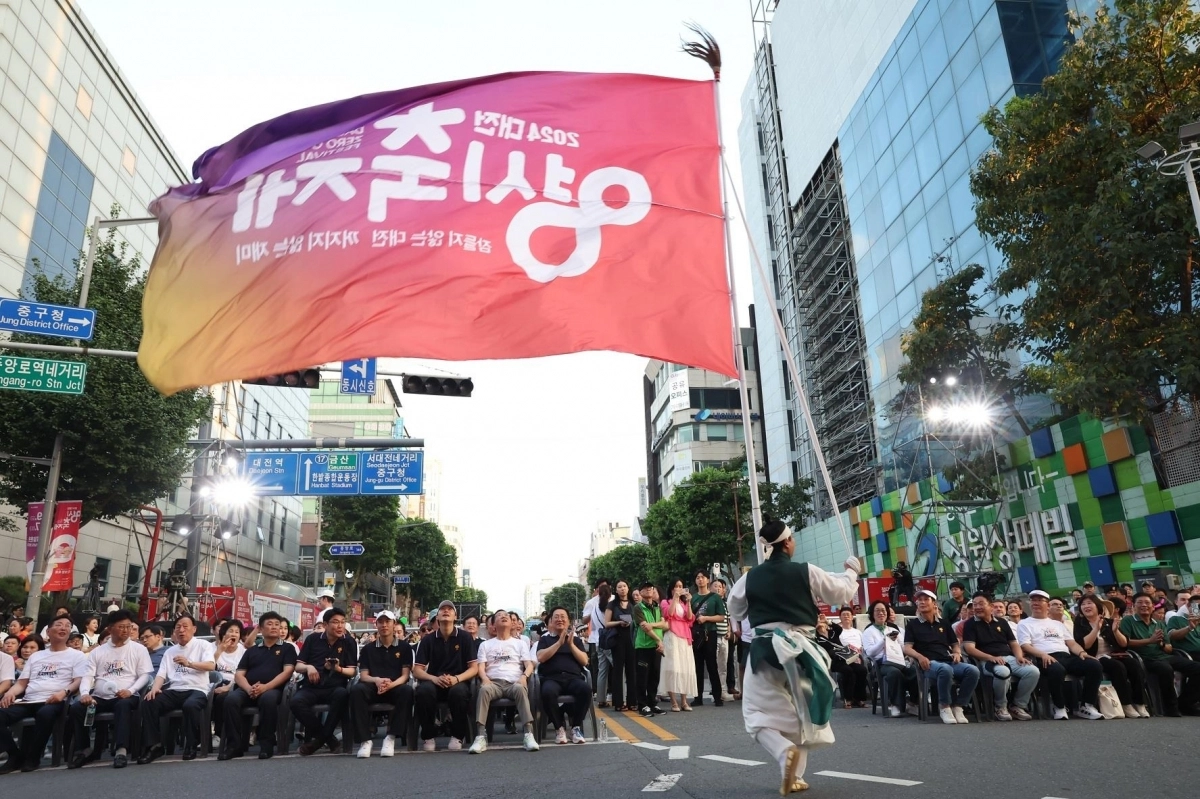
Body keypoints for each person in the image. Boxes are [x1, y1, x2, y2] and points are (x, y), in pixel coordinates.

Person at [727, 520, 860, 795]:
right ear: (787, 543)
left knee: (755, 714)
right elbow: (841, 593)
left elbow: (735, 609)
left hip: (766, 652)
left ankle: (783, 751)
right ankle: (796, 776)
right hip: (803, 654)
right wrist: (851, 572)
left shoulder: (750, 577)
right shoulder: (806, 571)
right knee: (801, 713)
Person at [0, 617, 87, 772]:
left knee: (45, 714)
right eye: (59, 625)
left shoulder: (76, 655)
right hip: (29, 700)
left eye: (68, 626)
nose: (63, 628)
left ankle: (33, 758)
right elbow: (22, 683)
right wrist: (10, 694)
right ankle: (15, 755)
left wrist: (64, 692)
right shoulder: (36, 656)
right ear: (48, 632)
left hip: (54, 700)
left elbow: (78, 680)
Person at [70, 609, 152, 769]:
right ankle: (84, 750)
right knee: (77, 708)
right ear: (110, 628)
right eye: (121, 627)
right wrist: (85, 694)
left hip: (127, 695)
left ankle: (121, 751)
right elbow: (88, 675)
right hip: (100, 697)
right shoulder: (98, 652)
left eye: (129, 627)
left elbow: (145, 676)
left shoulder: (138, 649)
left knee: (123, 706)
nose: (126, 630)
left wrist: (130, 690)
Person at [138, 614, 215, 763]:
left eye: (185, 627)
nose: (181, 630)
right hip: (175, 690)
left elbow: (211, 666)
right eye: (178, 627)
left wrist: (189, 663)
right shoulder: (170, 651)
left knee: (190, 705)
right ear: (174, 632)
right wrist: (154, 689)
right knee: (149, 702)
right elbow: (161, 674)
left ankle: (191, 745)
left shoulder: (203, 645)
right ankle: (154, 746)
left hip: (197, 689)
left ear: (194, 629)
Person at [219, 611, 296, 760]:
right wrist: (248, 689)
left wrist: (265, 687)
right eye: (270, 624)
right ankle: (234, 746)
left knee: (268, 700)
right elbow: (239, 674)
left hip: (273, 689)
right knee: (230, 700)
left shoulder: (288, 648)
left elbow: (287, 672)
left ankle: (266, 745)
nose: (274, 627)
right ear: (260, 629)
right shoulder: (252, 651)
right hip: (249, 689)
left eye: (277, 625)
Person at [1017, 589, 1104, 720]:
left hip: (1066, 655)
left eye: (1040, 600)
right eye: (1033, 600)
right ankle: (1059, 706)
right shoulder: (1024, 623)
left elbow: (1071, 643)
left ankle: (1086, 705)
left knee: (1094, 665)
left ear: (1047, 604)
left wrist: (1082, 653)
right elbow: (1025, 645)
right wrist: (1043, 655)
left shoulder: (1057, 624)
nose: (1036, 603)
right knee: (1057, 670)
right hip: (1044, 657)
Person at [904, 589, 980, 724]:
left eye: (925, 599)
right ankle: (944, 706)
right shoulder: (913, 625)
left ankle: (958, 706)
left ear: (934, 604)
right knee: (944, 669)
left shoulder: (944, 623)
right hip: (929, 664)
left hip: (948, 660)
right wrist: (920, 657)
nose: (922, 602)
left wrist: (957, 652)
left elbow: (955, 644)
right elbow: (907, 648)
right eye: (919, 600)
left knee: (973, 670)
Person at [468, 609, 538, 753]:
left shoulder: (520, 644)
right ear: (493, 625)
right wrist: (485, 678)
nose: (504, 617)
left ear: (512, 623)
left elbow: (529, 664)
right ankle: (480, 736)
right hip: (493, 683)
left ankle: (528, 734)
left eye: (506, 616)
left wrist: (524, 677)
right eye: (500, 616)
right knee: (483, 690)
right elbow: (480, 667)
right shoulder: (486, 645)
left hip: (514, 682)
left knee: (520, 689)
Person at [1120, 593, 1200, 716]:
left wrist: (1161, 644)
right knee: (1165, 669)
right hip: (1145, 658)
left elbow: (1169, 648)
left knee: (1197, 668)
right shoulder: (1128, 621)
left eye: (1147, 603)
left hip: (1164, 656)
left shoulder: (1158, 623)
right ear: (1133, 606)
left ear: (1153, 606)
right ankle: (1170, 708)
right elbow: (1125, 642)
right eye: (1140, 602)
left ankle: (1185, 703)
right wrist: (1149, 641)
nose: (1144, 605)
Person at [413, 599, 478, 751]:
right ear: (437, 617)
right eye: (443, 609)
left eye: (450, 609)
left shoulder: (465, 637)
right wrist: (434, 678)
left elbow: (473, 668)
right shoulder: (428, 639)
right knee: (423, 691)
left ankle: (457, 736)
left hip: (458, 681)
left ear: (455, 616)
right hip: (435, 681)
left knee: (459, 692)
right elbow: (417, 670)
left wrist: (456, 679)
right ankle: (428, 737)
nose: (446, 611)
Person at [961, 592, 1038, 721]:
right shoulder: (970, 624)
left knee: (1032, 671)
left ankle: (1018, 705)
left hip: (1008, 657)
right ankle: (1000, 706)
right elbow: (970, 649)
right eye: (975, 605)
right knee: (1003, 672)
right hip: (987, 661)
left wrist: (1019, 656)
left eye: (981, 604)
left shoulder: (1002, 622)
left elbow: (1013, 643)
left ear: (990, 607)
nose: (977, 607)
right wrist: (990, 657)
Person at [347, 610, 413, 758]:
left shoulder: (404, 647)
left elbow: (405, 675)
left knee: (407, 691)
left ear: (394, 624)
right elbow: (364, 675)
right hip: (373, 686)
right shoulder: (368, 649)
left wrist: (391, 684)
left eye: (387, 622)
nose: (384, 625)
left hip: (395, 686)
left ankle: (391, 737)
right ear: (376, 625)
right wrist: (376, 680)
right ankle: (365, 740)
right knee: (357, 691)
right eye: (381, 622)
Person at [293, 606, 356, 754]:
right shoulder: (313, 639)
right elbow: (298, 666)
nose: (340, 626)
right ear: (326, 625)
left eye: (342, 622)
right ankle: (329, 739)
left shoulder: (349, 642)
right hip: (312, 686)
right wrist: (309, 667)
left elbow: (352, 671)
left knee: (342, 695)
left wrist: (338, 669)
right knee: (295, 702)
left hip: (335, 687)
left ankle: (318, 741)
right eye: (335, 622)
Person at [1074, 595, 1147, 718]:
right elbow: (1085, 645)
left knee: (1134, 664)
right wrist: (1096, 628)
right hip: (1095, 657)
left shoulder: (1109, 622)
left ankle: (1140, 703)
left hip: (1115, 655)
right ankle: (1126, 703)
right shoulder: (1080, 623)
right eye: (1083, 604)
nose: (1086, 606)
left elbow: (1124, 643)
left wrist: (1115, 631)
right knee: (1117, 666)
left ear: (1098, 606)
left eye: (1089, 603)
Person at [536, 606, 590, 744]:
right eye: (556, 617)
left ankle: (576, 727)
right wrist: (559, 643)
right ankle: (559, 728)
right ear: (551, 621)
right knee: (547, 692)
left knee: (585, 689)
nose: (560, 619)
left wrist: (570, 645)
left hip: (573, 678)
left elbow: (584, 661)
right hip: (552, 678)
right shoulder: (545, 640)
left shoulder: (576, 640)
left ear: (568, 621)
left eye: (563, 617)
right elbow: (541, 658)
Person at [860, 600, 917, 717]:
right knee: (894, 673)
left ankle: (913, 703)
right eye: (877, 611)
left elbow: (903, 647)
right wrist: (884, 640)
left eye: (883, 611)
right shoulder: (868, 632)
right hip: (881, 664)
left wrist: (910, 655)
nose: (881, 613)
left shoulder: (892, 630)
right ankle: (896, 705)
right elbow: (870, 652)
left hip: (899, 661)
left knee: (915, 672)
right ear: (872, 614)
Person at [690, 571, 727, 707]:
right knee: (697, 666)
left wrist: (706, 618)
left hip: (710, 633)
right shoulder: (692, 598)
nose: (700, 580)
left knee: (712, 665)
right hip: (696, 634)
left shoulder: (715, 598)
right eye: (697, 577)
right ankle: (697, 697)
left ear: (707, 580)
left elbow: (721, 617)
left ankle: (717, 696)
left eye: (702, 577)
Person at [660, 578, 698, 712]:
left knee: (684, 668)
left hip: (685, 637)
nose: (679, 588)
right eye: (676, 586)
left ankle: (684, 701)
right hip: (672, 636)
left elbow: (689, 618)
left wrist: (688, 602)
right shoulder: (666, 602)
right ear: (672, 588)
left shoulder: (683, 603)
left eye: (681, 586)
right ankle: (673, 701)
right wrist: (675, 598)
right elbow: (668, 614)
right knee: (672, 667)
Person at [210, 619, 246, 753]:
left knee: (222, 699)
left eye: (237, 632)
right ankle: (203, 736)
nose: (234, 634)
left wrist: (228, 687)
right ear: (223, 633)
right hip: (213, 683)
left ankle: (219, 734)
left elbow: (243, 673)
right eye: (231, 631)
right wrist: (220, 650)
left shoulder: (243, 650)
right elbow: (208, 668)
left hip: (234, 684)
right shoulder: (212, 647)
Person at [603, 580, 638, 711]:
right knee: (617, 671)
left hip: (632, 640)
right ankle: (618, 703)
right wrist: (619, 622)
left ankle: (632, 701)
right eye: (619, 587)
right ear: (616, 590)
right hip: (617, 640)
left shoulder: (633, 604)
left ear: (628, 588)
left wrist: (631, 623)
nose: (622, 589)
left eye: (624, 586)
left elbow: (638, 620)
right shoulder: (612, 605)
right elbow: (606, 623)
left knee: (632, 671)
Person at [633, 582, 667, 716]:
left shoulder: (658, 606)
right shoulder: (638, 608)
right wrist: (658, 639)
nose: (649, 590)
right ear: (640, 593)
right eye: (645, 588)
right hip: (644, 646)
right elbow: (644, 628)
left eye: (651, 588)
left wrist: (653, 625)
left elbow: (664, 624)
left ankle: (652, 703)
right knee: (642, 676)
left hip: (656, 646)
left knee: (654, 676)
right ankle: (642, 705)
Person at [829, 608, 867, 708]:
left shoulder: (858, 632)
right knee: (849, 671)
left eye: (848, 615)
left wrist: (858, 654)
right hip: (842, 658)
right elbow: (836, 646)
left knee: (862, 670)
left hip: (857, 657)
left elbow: (863, 646)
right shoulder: (838, 631)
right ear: (840, 617)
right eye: (844, 615)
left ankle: (859, 698)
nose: (846, 616)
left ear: (852, 617)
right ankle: (848, 699)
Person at [712, 578, 738, 700]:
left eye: (719, 586)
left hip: (724, 638)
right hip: (714, 637)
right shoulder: (711, 602)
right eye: (715, 586)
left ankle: (722, 691)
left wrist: (728, 631)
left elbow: (727, 619)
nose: (717, 588)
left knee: (723, 666)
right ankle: (716, 691)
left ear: (724, 590)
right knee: (715, 666)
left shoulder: (725, 603)